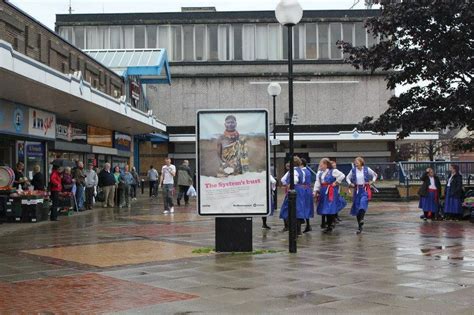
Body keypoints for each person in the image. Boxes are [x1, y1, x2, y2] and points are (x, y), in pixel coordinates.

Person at [346, 157, 378, 234]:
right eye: (355, 162)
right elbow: (347, 177)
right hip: (357, 190)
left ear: (361, 162)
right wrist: (350, 183)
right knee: (357, 207)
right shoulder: (353, 170)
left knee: (363, 203)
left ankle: (362, 219)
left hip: (365, 189)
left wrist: (372, 181)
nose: (355, 163)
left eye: (357, 161)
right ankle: (359, 226)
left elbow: (375, 175)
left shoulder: (367, 169)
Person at [313, 158, 346, 233]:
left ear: (326, 165)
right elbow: (317, 182)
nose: (320, 166)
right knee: (325, 208)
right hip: (323, 191)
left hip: (331, 191)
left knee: (329, 207)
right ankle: (329, 224)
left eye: (321, 165)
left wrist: (336, 182)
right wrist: (315, 191)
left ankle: (330, 226)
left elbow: (342, 175)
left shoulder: (333, 171)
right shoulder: (320, 173)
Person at [279, 156, 306, 236]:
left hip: (294, 190)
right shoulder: (301, 171)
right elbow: (303, 180)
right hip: (301, 190)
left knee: (289, 209)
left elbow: (284, 180)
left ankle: (293, 229)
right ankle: (298, 230)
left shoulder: (292, 171)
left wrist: (288, 184)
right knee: (298, 209)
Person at [301, 159, 314, 233]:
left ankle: (307, 224)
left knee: (304, 206)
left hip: (304, 190)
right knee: (306, 206)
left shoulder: (302, 171)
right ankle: (308, 224)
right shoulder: (307, 171)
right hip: (307, 189)